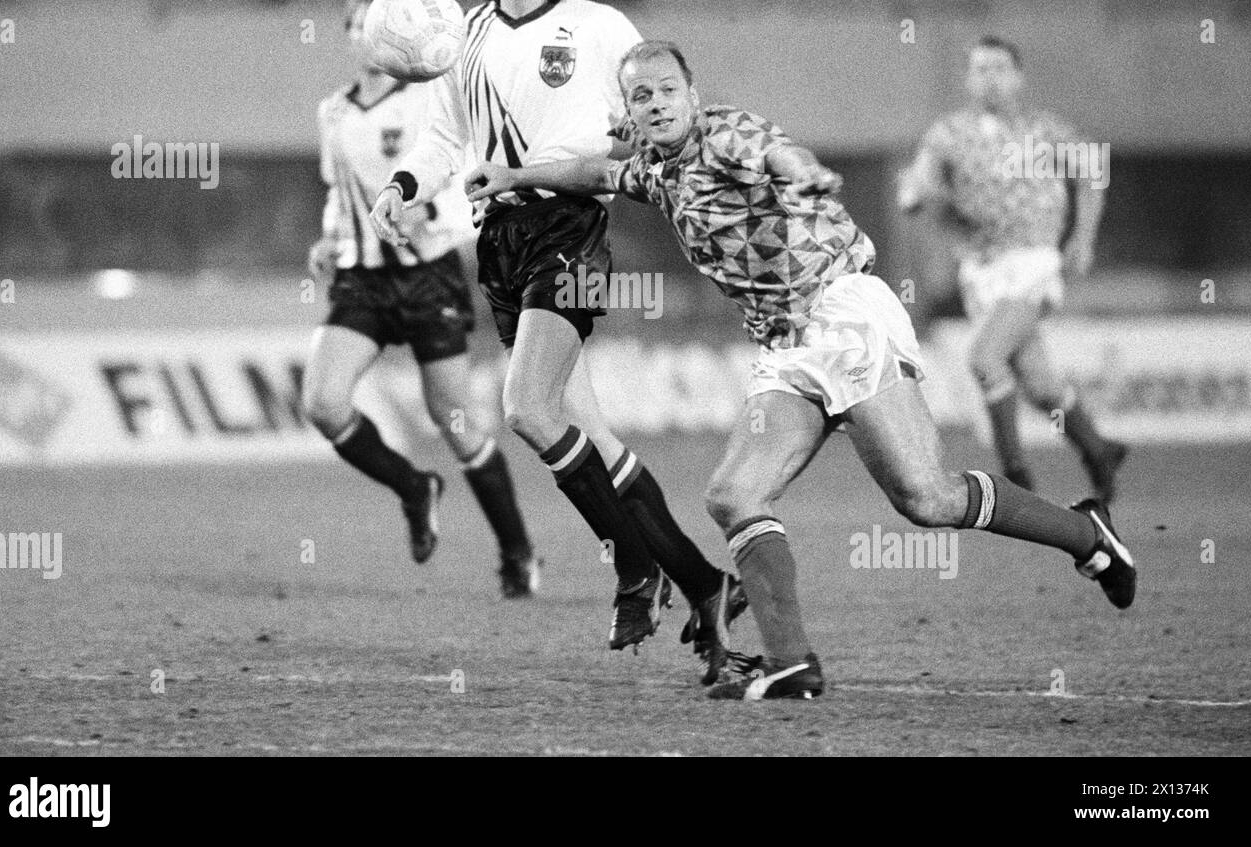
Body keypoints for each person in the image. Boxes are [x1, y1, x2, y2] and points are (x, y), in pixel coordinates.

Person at [464, 40, 1138, 701]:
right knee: (732, 494)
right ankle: (792, 665)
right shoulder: (656, 172)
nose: (658, 102)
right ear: (631, 113)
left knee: (927, 498)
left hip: (842, 312)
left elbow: (769, 150)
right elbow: (596, 174)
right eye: (642, 95)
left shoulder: (724, 130)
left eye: (669, 88)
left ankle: (1087, 533)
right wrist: (515, 178)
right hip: (784, 344)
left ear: (693, 95)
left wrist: (803, 169)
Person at [370, 0, 744, 676]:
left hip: (567, 230)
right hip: (499, 243)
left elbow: (636, 129)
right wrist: (403, 188)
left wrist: (606, 157)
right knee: (594, 435)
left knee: (527, 408)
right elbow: (441, 141)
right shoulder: (459, 37)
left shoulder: (601, 28)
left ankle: (633, 562)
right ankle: (706, 586)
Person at [304, 0, 538, 598]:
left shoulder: (429, 100)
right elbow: (340, 194)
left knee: (455, 422)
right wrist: (329, 239)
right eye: (355, 26)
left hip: (427, 273)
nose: (364, 35)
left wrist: (424, 216)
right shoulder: (333, 111)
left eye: (372, 23)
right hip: (361, 282)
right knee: (323, 405)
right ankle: (413, 486)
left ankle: (517, 553)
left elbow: (461, 182)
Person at [899, 36, 1127, 498]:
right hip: (982, 270)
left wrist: (1082, 237)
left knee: (985, 358)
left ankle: (1014, 474)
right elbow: (918, 177)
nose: (990, 78)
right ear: (967, 79)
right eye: (980, 69)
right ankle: (1097, 448)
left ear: (1019, 77)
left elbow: (1091, 173)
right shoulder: (949, 133)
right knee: (1040, 384)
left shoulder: (1044, 130)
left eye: (1000, 68)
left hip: (1034, 263)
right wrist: (914, 192)